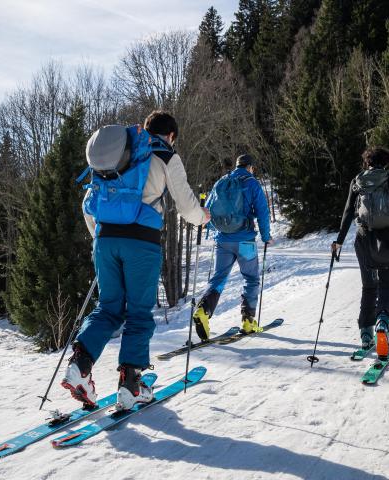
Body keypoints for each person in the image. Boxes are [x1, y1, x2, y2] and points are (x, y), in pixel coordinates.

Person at [61, 111, 210, 411]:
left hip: (105, 239)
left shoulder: (118, 154)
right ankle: (130, 385)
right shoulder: (165, 153)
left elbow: (88, 204)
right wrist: (202, 217)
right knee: (139, 313)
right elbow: (186, 205)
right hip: (141, 242)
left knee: (109, 308)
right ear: (170, 136)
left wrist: (100, 239)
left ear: (144, 129)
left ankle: (79, 366)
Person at [333, 147, 389, 359]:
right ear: (386, 162)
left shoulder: (357, 181)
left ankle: (366, 334)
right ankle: (383, 321)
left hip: (364, 240)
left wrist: (338, 241)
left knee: (368, 286)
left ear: (367, 162)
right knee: (387, 285)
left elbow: (347, 213)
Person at [192, 154, 272, 341]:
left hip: (223, 241)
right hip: (245, 241)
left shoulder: (222, 181)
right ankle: (248, 321)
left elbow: (209, 209)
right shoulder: (251, 183)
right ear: (250, 167)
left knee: (218, 278)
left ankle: (203, 311)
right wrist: (266, 237)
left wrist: (213, 229)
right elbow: (262, 211)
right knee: (251, 278)